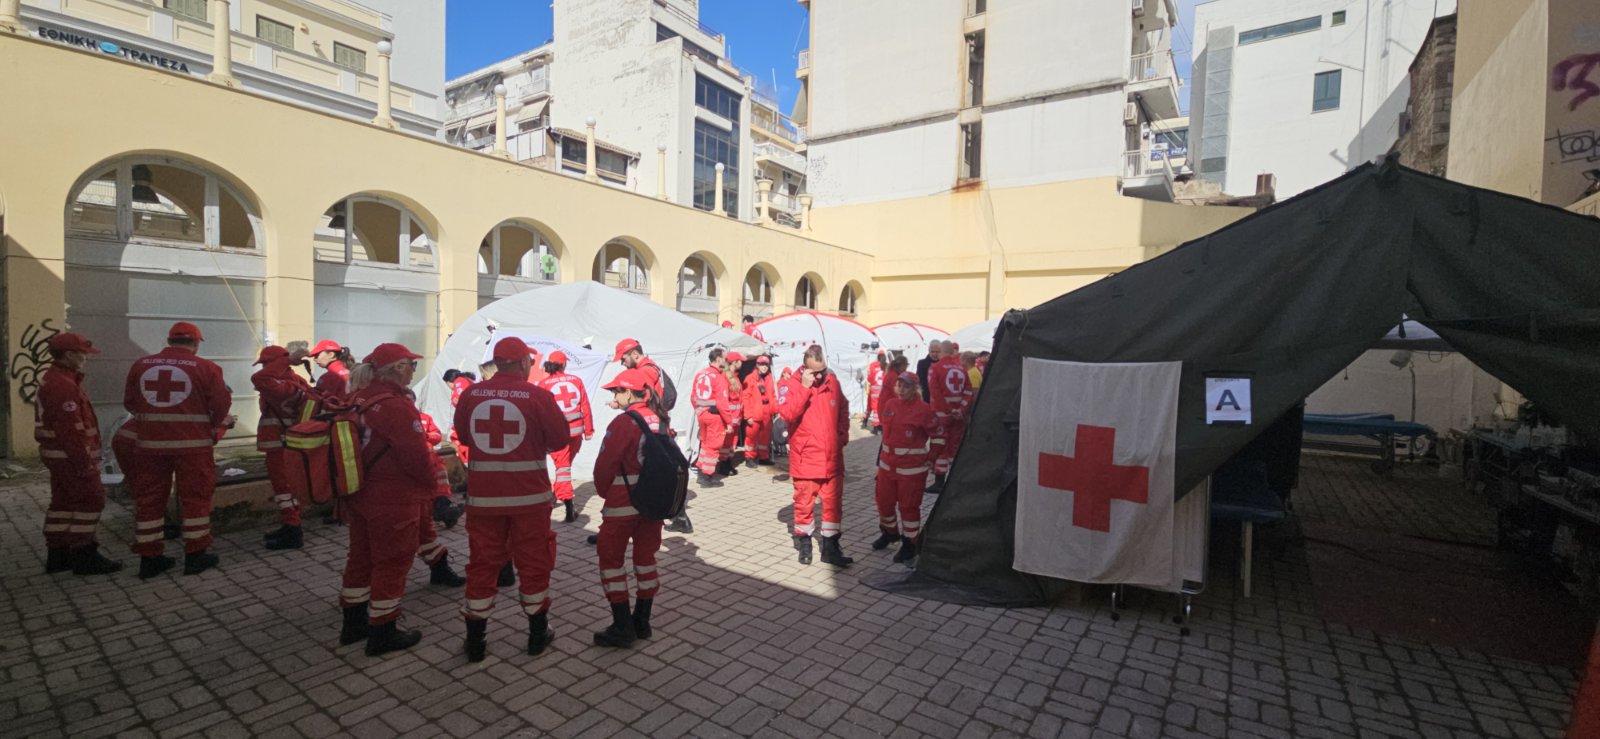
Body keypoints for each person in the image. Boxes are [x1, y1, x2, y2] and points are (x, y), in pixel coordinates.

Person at [454, 337, 570, 662]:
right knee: (534, 564)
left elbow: (464, 436)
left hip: (483, 500)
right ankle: (536, 635)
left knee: (482, 565)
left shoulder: (470, 394)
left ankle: (475, 643)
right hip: (529, 500)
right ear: (522, 363)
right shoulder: (538, 396)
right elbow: (560, 438)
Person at [337, 343, 434, 656]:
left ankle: (353, 624)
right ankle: (383, 631)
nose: (413, 371)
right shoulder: (395, 405)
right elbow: (417, 457)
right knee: (392, 562)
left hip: (361, 491)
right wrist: (432, 487)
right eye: (411, 365)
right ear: (397, 368)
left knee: (361, 558)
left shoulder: (359, 397)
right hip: (393, 496)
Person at [124, 322, 231, 579]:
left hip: (149, 445)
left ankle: (149, 559)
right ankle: (195, 555)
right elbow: (220, 405)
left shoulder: (141, 365)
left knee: (149, 500)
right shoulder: (207, 368)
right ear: (195, 343)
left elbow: (130, 402)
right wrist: (212, 424)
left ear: (169, 340)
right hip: (192, 447)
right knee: (196, 498)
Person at [590, 368, 667, 647]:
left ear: (629, 393)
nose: (615, 397)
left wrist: (603, 492)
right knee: (646, 560)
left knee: (610, 560)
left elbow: (604, 465)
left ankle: (622, 626)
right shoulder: (660, 419)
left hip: (624, 501)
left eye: (616, 392)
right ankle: (642, 621)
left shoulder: (623, 423)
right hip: (653, 502)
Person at [37, 332, 122, 575]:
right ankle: (85, 555)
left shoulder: (58, 379)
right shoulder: (62, 386)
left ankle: (59, 554)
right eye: (82, 353)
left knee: (63, 503)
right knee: (91, 500)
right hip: (70, 457)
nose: (85, 358)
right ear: (68, 354)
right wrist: (84, 463)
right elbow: (71, 431)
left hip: (59, 456)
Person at [778, 345, 853, 567]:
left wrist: (842, 436)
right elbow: (787, 414)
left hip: (832, 459)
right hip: (806, 459)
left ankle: (830, 547)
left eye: (822, 370)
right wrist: (804, 388)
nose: (820, 376)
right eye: (814, 372)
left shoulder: (832, 382)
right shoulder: (791, 385)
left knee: (832, 505)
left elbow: (843, 408)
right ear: (804, 368)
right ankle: (805, 544)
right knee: (804, 504)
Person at [874, 373, 944, 563]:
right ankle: (890, 533)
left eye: (906, 386)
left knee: (909, 508)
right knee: (884, 504)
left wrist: (932, 458)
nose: (901, 389)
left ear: (915, 388)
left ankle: (910, 544)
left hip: (911, 471)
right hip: (887, 467)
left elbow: (938, 436)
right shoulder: (890, 405)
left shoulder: (924, 410)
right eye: (899, 385)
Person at [253, 345, 313, 551]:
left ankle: (293, 530)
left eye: (265, 364)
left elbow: (259, 379)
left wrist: (285, 361)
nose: (263, 368)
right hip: (287, 442)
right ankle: (290, 525)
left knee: (283, 489)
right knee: (288, 489)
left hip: (279, 444)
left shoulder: (281, 384)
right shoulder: (299, 382)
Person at [536, 351, 594, 523]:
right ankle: (559, 496)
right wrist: (589, 429)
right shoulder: (576, 380)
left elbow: (540, 411)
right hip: (576, 431)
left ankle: (568, 506)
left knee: (562, 469)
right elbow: (585, 405)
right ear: (564, 364)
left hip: (557, 433)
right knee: (565, 466)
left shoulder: (543, 384)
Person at [414, 411, 466, 585]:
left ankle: (444, 509)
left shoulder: (424, 417)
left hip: (430, 464)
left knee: (424, 531)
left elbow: (436, 435)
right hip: (414, 474)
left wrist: (426, 435)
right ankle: (443, 512)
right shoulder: (395, 414)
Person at [927, 343, 972, 495]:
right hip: (958, 417)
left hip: (942, 416)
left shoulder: (935, 368)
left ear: (940, 352)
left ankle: (939, 483)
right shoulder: (961, 369)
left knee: (940, 448)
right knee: (955, 448)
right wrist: (960, 410)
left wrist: (949, 410)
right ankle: (955, 483)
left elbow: (935, 394)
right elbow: (968, 392)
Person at [690, 349, 731, 486]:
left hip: (702, 415)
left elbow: (693, 397)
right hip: (715, 417)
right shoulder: (719, 378)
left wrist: (699, 411)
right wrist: (729, 422)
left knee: (705, 444)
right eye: (725, 358)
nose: (726, 361)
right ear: (719, 359)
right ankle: (707, 477)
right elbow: (722, 403)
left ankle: (701, 471)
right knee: (713, 446)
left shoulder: (700, 374)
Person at [742, 355, 777, 467]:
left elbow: (773, 395)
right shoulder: (750, 378)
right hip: (755, 410)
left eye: (766, 365)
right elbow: (745, 398)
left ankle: (763, 457)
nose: (764, 367)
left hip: (767, 410)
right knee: (752, 435)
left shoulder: (771, 378)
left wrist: (774, 410)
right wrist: (748, 416)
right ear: (757, 365)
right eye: (762, 364)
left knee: (765, 436)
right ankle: (749, 457)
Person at [719, 353, 744, 477]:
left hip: (736, 417)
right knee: (726, 443)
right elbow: (725, 400)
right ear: (735, 362)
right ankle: (723, 465)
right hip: (729, 417)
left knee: (731, 443)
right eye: (740, 361)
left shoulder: (735, 377)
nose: (742, 363)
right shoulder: (725, 378)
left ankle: (728, 462)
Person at [865, 352, 886, 433]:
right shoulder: (886, 366)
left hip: (874, 391)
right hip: (883, 391)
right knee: (882, 409)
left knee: (875, 409)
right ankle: (881, 425)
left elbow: (870, 379)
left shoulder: (873, 366)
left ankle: (875, 426)